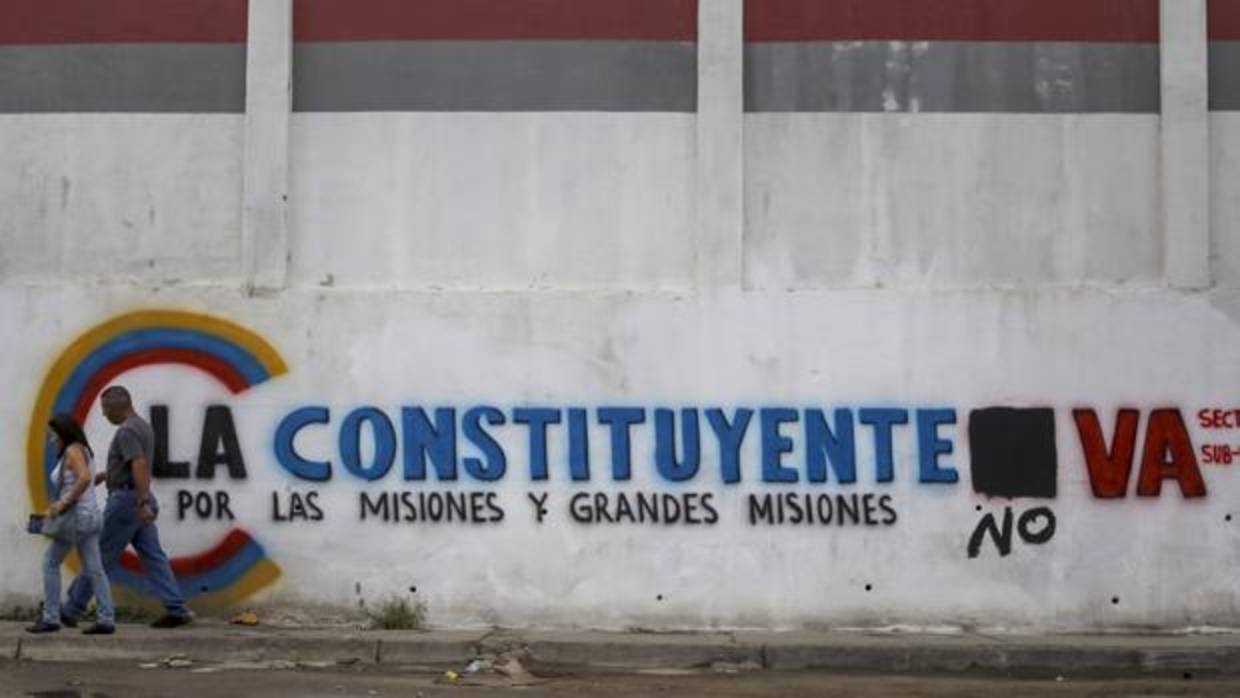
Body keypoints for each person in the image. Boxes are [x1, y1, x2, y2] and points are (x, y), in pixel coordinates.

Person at [60, 385, 193, 628]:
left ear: (115, 407)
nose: (103, 414)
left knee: (100, 554)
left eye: (105, 409)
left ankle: (72, 609)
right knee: (153, 556)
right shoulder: (142, 426)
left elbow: (139, 464)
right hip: (137, 497)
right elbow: (132, 465)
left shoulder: (126, 432)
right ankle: (176, 608)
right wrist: (107, 474)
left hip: (127, 502)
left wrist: (141, 501)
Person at [26, 414, 115, 634]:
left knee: (50, 563)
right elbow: (85, 480)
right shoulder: (84, 450)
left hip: (77, 519)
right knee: (95, 569)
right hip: (91, 516)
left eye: (53, 435)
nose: (51, 439)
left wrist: (63, 503)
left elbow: (83, 478)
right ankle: (106, 619)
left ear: (63, 432)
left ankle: (51, 618)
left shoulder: (72, 451)